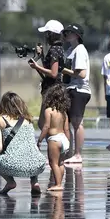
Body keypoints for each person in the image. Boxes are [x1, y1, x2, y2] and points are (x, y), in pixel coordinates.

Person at [0, 92, 48, 196]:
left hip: (12, 165)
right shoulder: (28, 120)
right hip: (37, 165)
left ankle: (10, 182)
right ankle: (34, 181)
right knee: (31, 154)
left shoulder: (0, 120)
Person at [59, 24, 91, 164]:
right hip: (71, 88)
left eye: (69, 33)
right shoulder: (71, 50)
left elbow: (82, 74)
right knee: (69, 122)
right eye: (66, 32)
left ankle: (78, 154)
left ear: (77, 35)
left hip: (79, 89)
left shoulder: (80, 50)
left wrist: (64, 71)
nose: (66, 35)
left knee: (77, 123)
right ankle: (71, 152)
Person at [28, 19, 67, 129]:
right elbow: (51, 67)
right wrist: (41, 56)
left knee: (43, 122)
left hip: (52, 89)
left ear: (52, 34)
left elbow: (53, 73)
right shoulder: (59, 48)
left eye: (47, 34)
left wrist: (36, 67)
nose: (45, 36)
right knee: (54, 121)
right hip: (57, 87)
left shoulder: (54, 50)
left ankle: (52, 142)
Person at [36, 85, 70, 192]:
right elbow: (67, 129)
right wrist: (68, 141)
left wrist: (40, 139)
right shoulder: (64, 112)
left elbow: (46, 126)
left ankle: (58, 184)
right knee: (60, 163)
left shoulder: (49, 111)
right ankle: (60, 183)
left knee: (53, 163)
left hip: (54, 139)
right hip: (64, 138)